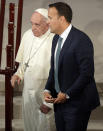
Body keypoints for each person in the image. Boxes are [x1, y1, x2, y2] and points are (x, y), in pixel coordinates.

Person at [44, 2, 100, 131]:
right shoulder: (55, 39)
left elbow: (86, 74)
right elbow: (55, 68)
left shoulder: (81, 40)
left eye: (50, 18)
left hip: (77, 104)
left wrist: (67, 94)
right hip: (59, 102)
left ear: (62, 19)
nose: (48, 22)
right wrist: (47, 89)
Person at [11, 8, 56, 131]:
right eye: (32, 23)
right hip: (28, 90)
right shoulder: (27, 35)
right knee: (29, 122)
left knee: (45, 124)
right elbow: (24, 61)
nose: (32, 28)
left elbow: (59, 73)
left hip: (45, 91)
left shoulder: (55, 39)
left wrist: (49, 102)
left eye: (37, 24)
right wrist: (18, 74)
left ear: (47, 24)